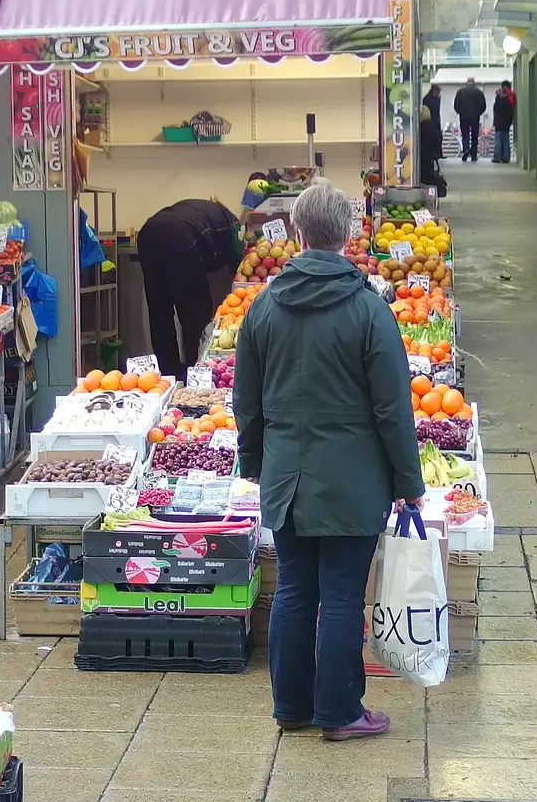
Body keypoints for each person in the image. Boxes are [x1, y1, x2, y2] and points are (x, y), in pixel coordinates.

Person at [234, 181, 426, 742]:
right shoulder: (368, 309)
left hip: (287, 479)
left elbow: (247, 399)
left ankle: (291, 705)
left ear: (296, 233)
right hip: (352, 480)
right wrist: (407, 482)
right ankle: (340, 711)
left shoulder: (264, 307)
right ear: (348, 233)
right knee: (342, 595)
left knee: (294, 588)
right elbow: (393, 407)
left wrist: (254, 463)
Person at [136, 198, 242, 377]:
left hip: (148, 232)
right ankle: (197, 373)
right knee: (195, 314)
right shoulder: (231, 224)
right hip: (180, 237)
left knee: (159, 311)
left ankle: (168, 374)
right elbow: (238, 263)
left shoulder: (202, 211)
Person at [453, 78, 487, 162]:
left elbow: (456, 105)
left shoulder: (460, 91)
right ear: (474, 83)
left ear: (467, 83)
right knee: (474, 136)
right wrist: (478, 113)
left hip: (464, 117)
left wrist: (461, 112)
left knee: (465, 134)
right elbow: (483, 105)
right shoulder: (479, 92)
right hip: (475, 117)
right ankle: (474, 154)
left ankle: (466, 150)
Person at [417, 103, 446, 196]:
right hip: (430, 156)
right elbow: (438, 140)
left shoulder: (418, 129)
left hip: (420, 156)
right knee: (428, 176)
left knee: (423, 178)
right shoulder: (433, 125)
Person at [492, 81, 516, 163]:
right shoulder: (511, 96)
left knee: (498, 139)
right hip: (507, 121)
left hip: (499, 121)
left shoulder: (499, 96)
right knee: (505, 140)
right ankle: (506, 157)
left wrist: (494, 121)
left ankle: (497, 157)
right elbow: (512, 109)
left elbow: (495, 109)